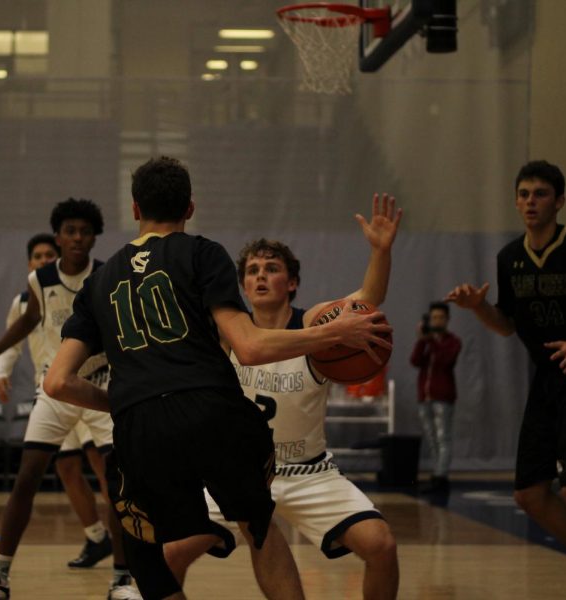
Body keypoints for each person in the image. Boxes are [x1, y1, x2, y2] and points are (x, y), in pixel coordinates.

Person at [44, 156, 393, 600]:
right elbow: (247, 346)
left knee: (150, 559)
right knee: (259, 527)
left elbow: (57, 382)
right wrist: (336, 332)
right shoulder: (201, 253)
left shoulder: (99, 281)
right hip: (209, 410)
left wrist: (124, 401)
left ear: (135, 209)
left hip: (139, 426)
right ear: (190, 208)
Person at [163, 195, 401, 600]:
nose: (259, 276)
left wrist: (380, 252)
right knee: (167, 556)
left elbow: (366, 302)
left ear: (290, 282)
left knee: (381, 547)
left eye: (271, 269)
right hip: (239, 472)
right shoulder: (228, 332)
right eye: (252, 271)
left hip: (309, 473)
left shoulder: (313, 326)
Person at [447, 160, 566, 600]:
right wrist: (477, 309)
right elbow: (507, 324)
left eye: (540, 194)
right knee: (529, 494)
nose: (530, 201)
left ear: (559, 201)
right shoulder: (510, 258)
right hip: (547, 378)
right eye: (523, 194)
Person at [0, 199, 140, 600]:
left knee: (116, 485)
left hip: (99, 391)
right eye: (70, 231)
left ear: (95, 236)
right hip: (54, 389)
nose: (78, 237)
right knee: (27, 478)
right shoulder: (40, 281)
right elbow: (26, 322)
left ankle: (121, 579)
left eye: (85, 231)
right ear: (58, 236)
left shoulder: (107, 277)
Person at [0, 232, 114, 568]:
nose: (45, 260)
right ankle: (95, 537)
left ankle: (124, 550)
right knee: (66, 467)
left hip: (88, 386)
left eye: (49, 255)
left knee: (103, 464)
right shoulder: (23, 303)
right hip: (51, 392)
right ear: (30, 265)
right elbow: (13, 343)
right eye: (38, 256)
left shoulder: (87, 290)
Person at [410, 301, 462, 494]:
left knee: (443, 437)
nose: (437, 321)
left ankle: (441, 476)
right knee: (432, 437)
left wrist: (430, 340)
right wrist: (422, 340)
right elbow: (415, 361)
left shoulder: (453, 341)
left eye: (440, 317)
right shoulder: (426, 341)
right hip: (425, 395)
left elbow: (444, 361)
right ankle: (436, 473)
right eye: (434, 317)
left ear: (447, 319)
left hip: (443, 395)